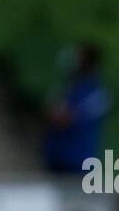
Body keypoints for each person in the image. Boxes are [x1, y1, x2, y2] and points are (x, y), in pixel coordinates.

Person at [42, 43, 110, 173]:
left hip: (79, 163)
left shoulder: (97, 94)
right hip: (56, 160)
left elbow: (65, 118)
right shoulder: (67, 88)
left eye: (79, 57)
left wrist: (58, 114)